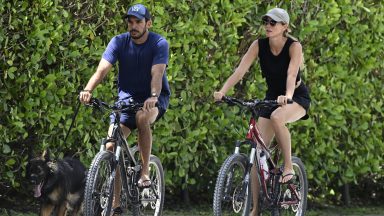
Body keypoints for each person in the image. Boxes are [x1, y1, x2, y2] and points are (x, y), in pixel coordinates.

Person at [213, 8, 310, 215]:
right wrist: (222, 91)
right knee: (258, 153)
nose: (268, 25)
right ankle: (256, 209)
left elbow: (292, 73)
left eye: (273, 22)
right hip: (272, 96)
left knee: (277, 117)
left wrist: (288, 95)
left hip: (295, 97)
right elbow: (240, 70)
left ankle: (288, 167)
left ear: (285, 26)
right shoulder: (258, 45)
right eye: (266, 21)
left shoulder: (294, 46)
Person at [79, 3, 170, 214]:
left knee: (141, 118)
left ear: (148, 23)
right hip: (126, 101)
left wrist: (153, 96)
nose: (133, 26)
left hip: (153, 99)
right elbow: (102, 70)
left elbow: (157, 74)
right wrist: (88, 89)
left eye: (138, 22)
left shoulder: (159, 43)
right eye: (130, 22)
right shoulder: (119, 42)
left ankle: (145, 171)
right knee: (111, 146)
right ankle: (115, 204)